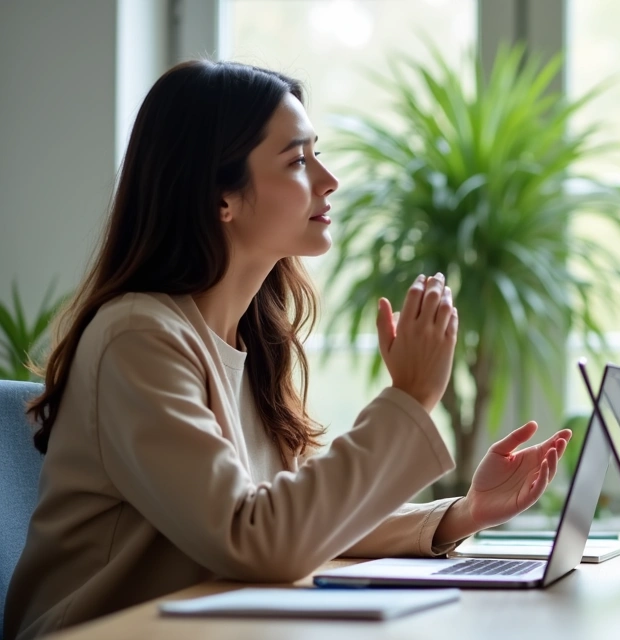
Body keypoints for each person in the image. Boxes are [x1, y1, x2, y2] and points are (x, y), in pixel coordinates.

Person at [4, 60, 570, 640]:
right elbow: (260, 542)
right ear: (221, 196)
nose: (328, 180)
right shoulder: (137, 339)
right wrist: (409, 398)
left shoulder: (244, 341)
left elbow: (298, 519)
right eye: (298, 160)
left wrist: (462, 513)